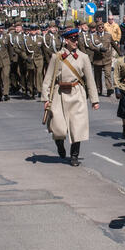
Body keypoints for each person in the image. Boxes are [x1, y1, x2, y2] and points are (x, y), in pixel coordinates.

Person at [41, 27, 100, 166]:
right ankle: (60, 144)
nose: (75, 42)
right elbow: (48, 78)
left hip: (77, 93)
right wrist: (45, 98)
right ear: (66, 41)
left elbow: (90, 80)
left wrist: (94, 100)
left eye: (76, 39)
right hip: (59, 93)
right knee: (59, 128)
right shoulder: (57, 57)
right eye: (72, 39)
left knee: (77, 127)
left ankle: (74, 156)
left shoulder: (83, 57)